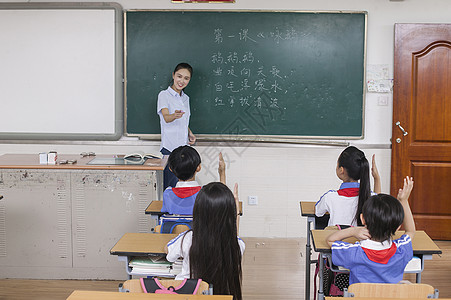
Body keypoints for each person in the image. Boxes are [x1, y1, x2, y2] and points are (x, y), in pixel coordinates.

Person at [326, 176, 415, 285]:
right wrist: (404, 201)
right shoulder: (401, 250)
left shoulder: (355, 252)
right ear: (398, 227)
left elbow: (330, 240)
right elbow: (410, 231)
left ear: (362, 219)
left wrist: (353, 231)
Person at [165, 182, 244, 300]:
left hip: (189, 295)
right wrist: (236, 213)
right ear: (230, 214)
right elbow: (233, 235)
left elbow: (169, 254)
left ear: (198, 211)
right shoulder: (238, 245)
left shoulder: (188, 238)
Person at [315, 146, 381, 227]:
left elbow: (317, 212)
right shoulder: (370, 197)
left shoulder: (330, 197)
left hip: (335, 239)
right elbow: (378, 203)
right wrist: (377, 178)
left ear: (341, 170)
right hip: (360, 239)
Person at [157, 62, 196, 190]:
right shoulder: (164, 95)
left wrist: (190, 132)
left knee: (182, 188)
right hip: (169, 149)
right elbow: (166, 118)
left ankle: (178, 211)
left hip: (184, 150)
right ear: (173, 75)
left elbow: (184, 120)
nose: (182, 81)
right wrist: (174, 115)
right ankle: (167, 211)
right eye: (179, 76)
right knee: (169, 188)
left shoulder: (186, 98)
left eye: (186, 78)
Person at [162, 146, 226, 215]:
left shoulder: (167, 194)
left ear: (170, 169)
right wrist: (222, 173)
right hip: (199, 226)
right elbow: (224, 203)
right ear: (199, 167)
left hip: (175, 226)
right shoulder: (205, 194)